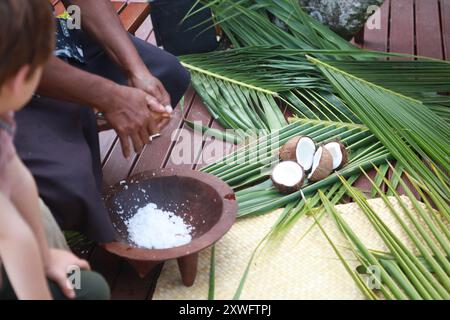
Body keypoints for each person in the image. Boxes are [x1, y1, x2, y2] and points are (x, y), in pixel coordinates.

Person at [14, 0, 191, 243]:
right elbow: (14, 58)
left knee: (167, 73)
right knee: (72, 186)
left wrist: (136, 71)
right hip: (13, 72)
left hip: (46, 37)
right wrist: (111, 98)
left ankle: (74, 124)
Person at [0, 0, 110, 300]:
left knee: (79, 280)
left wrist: (47, 257)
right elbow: (12, 236)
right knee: (91, 290)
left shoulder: (4, 113)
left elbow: (17, 176)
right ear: (23, 78)